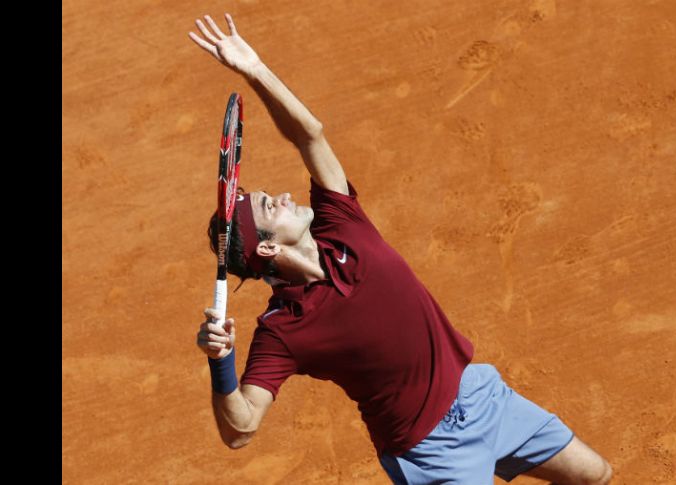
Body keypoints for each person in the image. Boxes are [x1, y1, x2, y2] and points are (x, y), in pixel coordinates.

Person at [189, 13, 613, 485]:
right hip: (431, 452)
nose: (285, 197)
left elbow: (310, 134)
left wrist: (256, 69)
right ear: (266, 250)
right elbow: (240, 428)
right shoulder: (282, 330)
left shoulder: (341, 223)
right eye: (271, 206)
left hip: (479, 395)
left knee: (594, 475)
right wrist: (221, 361)